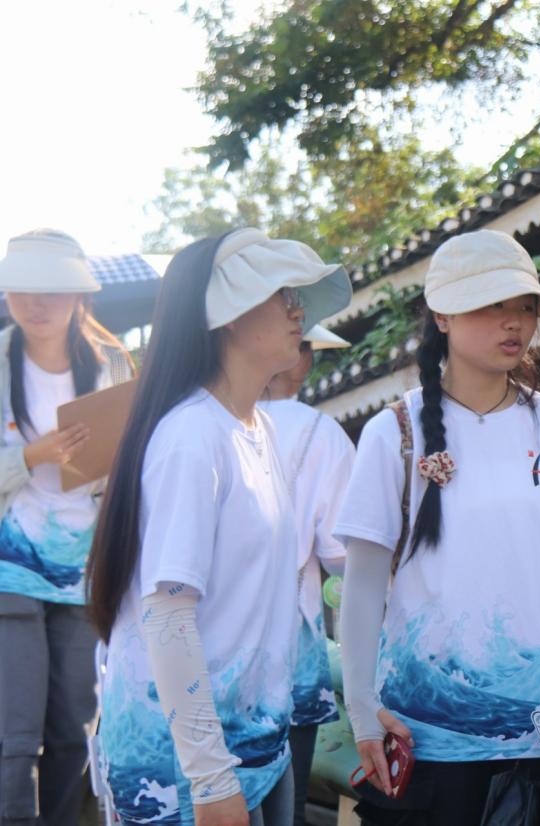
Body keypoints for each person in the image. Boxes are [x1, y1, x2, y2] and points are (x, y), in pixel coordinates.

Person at [335, 229, 540, 826]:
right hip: (419, 740)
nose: (513, 322)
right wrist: (361, 707)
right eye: (491, 305)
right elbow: (362, 584)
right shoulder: (395, 433)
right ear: (441, 316)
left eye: (525, 307)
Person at [86, 228, 351, 826]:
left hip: (255, 750)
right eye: (281, 295)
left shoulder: (256, 429)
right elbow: (167, 614)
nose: (298, 311)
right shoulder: (192, 436)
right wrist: (209, 777)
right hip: (183, 775)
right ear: (228, 315)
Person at [0, 229, 133, 825]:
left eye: (52, 288)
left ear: (79, 295)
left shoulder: (111, 365)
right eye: (22, 287)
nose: (36, 302)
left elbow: (135, 467)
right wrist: (33, 455)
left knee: (74, 734)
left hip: (85, 574)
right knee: (14, 738)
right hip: (9, 572)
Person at [258, 325, 355, 826]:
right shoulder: (320, 431)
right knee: (287, 804)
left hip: (208, 653)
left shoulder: (199, 421)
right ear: (302, 359)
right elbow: (344, 554)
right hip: (290, 646)